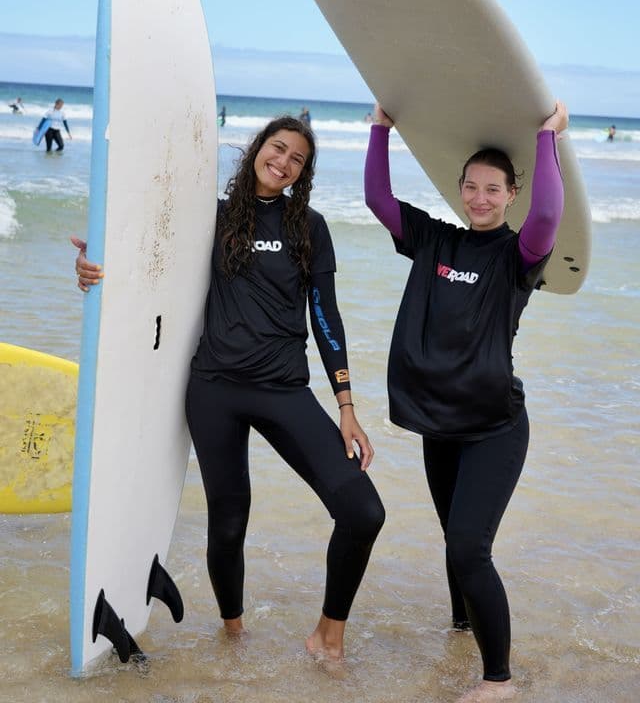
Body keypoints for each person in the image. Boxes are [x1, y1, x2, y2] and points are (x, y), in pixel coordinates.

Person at [73, 115, 385, 662]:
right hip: (214, 389)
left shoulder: (309, 228)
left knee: (363, 511)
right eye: (278, 148)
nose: (283, 162)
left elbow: (326, 318)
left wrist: (347, 407)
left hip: (284, 389)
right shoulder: (209, 219)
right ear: (257, 148)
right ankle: (233, 635)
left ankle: (328, 633)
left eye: (297, 160)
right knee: (229, 520)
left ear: (302, 173)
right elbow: (151, 270)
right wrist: (93, 266)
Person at [364, 100, 567, 703]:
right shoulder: (434, 240)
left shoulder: (517, 257)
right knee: (453, 535)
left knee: (467, 546)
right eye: (471, 187)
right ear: (459, 190)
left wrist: (546, 136)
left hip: (494, 426)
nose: (480, 198)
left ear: (510, 195)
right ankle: (460, 628)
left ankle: (498, 679)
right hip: (439, 423)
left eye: (493, 189)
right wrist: (380, 128)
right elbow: (379, 199)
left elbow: (551, 212)